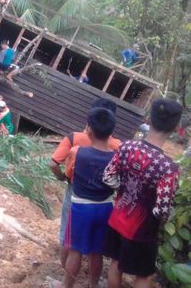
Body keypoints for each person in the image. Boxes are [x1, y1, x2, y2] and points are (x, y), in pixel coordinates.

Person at [102, 98, 182, 288]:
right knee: (144, 276)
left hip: (117, 218)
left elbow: (107, 177)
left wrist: (124, 190)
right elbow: (162, 210)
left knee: (116, 263)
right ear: (175, 127)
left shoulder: (127, 147)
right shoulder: (167, 167)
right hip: (142, 230)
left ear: (149, 119)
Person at [50, 98, 122, 271]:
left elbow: (53, 164)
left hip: (76, 192)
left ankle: (64, 271)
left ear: (89, 119)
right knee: (96, 244)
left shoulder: (74, 138)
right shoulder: (118, 146)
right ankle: (92, 280)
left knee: (68, 233)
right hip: (103, 198)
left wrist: (62, 177)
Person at [59, 107, 117, 288]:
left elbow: (69, 175)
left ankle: (67, 285)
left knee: (75, 250)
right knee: (96, 252)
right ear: (111, 132)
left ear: (89, 130)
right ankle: (93, 285)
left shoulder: (77, 152)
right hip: (105, 208)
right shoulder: (116, 157)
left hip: (81, 208)